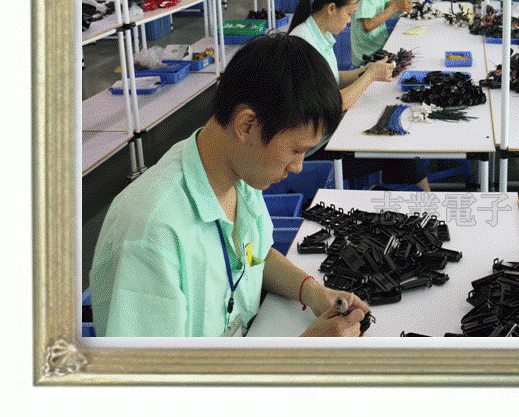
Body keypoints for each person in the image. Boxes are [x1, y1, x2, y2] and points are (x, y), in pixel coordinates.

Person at [89, 33, 370, 337]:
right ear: (246, 125)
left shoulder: (241, 175)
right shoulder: (152, 232)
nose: (298, 166)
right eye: (295, 149)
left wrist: (314, 292)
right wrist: (304, 351)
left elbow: (253, 257)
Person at [288, 0, 431, 191]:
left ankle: (417, 196)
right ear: (331, 8)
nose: (349, 21)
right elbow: (337, 104)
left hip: (328, 132)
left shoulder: (318, 34)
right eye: (349, 14)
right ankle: (426, 198)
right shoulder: (304, 43)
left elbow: (331, 78)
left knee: (396, 137)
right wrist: (369, 76)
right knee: (398, 147)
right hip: (316, 148)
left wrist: (362, 71)